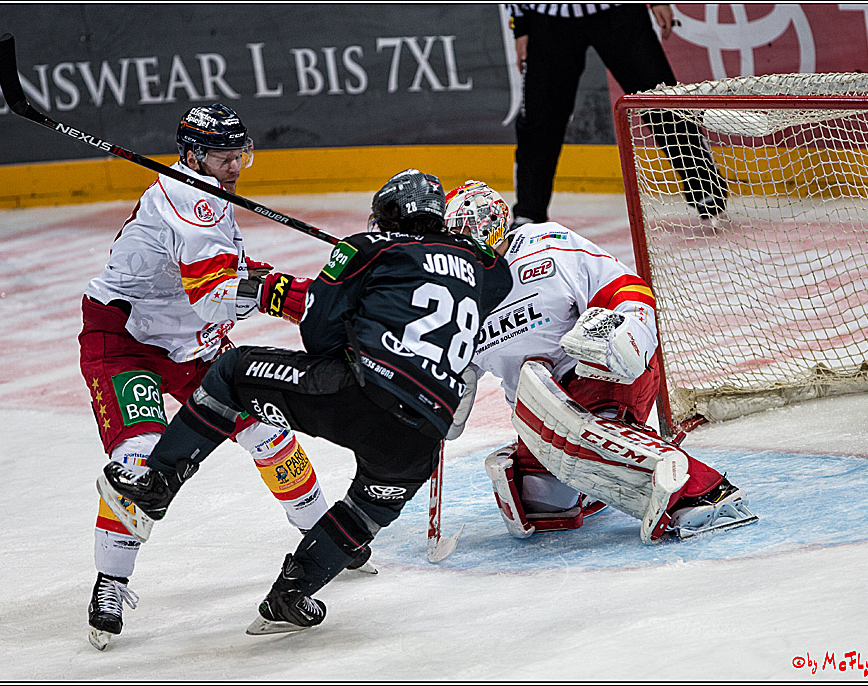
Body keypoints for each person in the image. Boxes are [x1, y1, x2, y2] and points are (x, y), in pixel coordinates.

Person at [96, 168, 513, 635]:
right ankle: (290, 595)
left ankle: (160, 481)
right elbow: (471, 266)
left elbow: (320, 335)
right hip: (423, 436)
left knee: (231, 373)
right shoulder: (489, 271)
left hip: (358, 395)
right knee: (363, 509)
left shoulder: (364, 248)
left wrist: (356, 280)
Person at [79, 103, 370, 651]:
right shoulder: (190, 198)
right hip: (127, 341)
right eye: (221, 155)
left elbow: (224, 269)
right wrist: (301, 298)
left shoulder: (202, 190)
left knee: (268, 432)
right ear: (192, 154)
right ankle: (110, 582)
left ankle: (319, 535)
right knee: (141, 461)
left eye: (239, 153)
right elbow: (215, 297)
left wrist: (290, 284)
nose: (234, 165)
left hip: (194, 345)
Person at [442, 180, 757, 542]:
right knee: (539, 504)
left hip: (604, 375)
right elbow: (453, 365)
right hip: (540, 413)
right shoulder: (457, 296)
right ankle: (598, 481)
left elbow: (625, 287)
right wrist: (439, 398)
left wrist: (628, 336)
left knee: (581, 442)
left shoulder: (547, 249)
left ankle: (706, 490)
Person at [508, 3, 729, 226]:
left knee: (662, 103)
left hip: (618, 13)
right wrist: (520, 26)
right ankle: (529, 211)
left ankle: (706, 188)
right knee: (540, 120)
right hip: (547, 18)